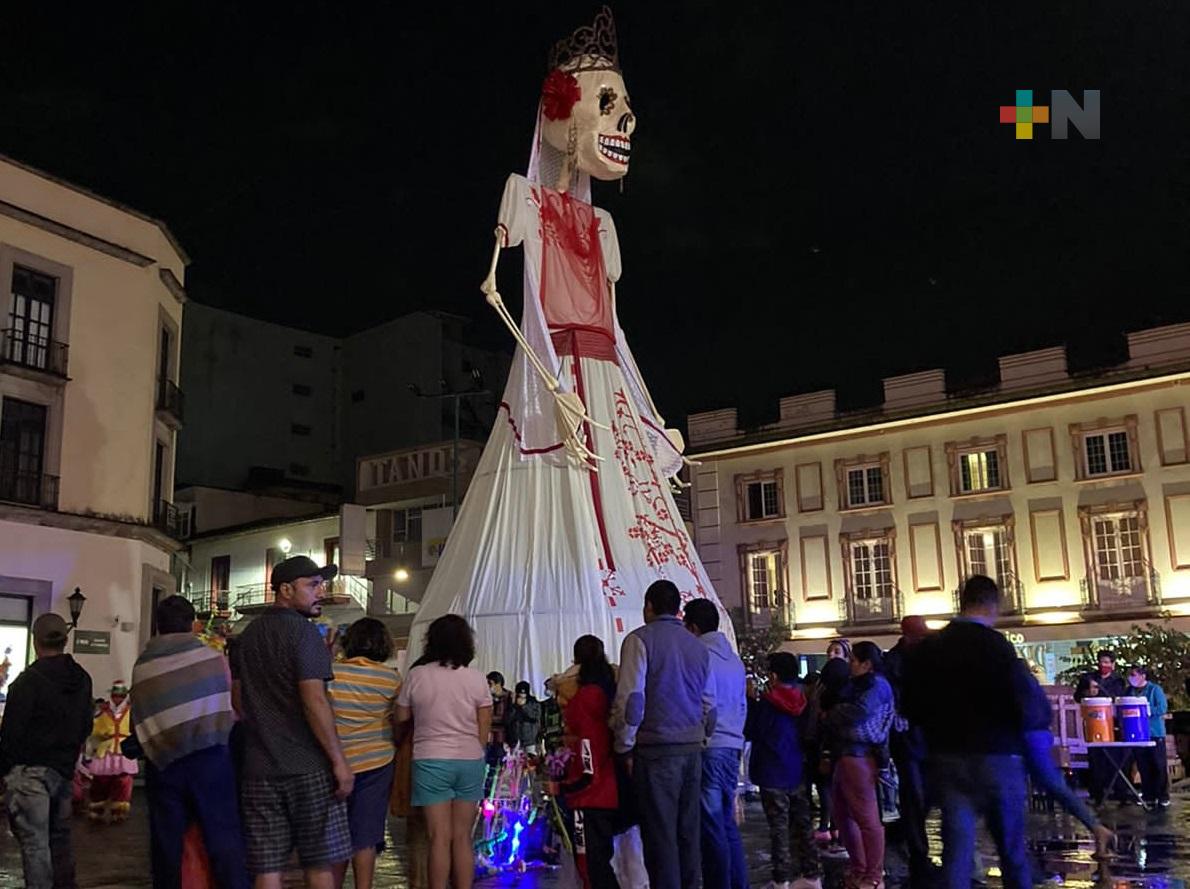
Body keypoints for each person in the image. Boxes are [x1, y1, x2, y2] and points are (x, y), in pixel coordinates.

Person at [903, 575, 1035, 889]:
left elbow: (911, 705)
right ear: (992, 604)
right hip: (996, 755)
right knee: (1012, 852)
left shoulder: (931, 647)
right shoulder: (997, 646)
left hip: (947, 758)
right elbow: (1020, 702)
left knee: (957, 853)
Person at [232, 555, 354, 889]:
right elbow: (314, 701)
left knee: (268, 866)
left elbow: (238, 701)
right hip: (308, 765)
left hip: (259, 766)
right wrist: (338, 761)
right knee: (318, 862)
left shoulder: (247, 637)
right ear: (285, 590)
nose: (321, 592)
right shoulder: (304, 634)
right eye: (312, 585)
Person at [131, 595, 248, 889]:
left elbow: (141, 714)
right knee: (223, 838)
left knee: (166, 845)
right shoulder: (212, 659)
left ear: (158, 626)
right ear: (192, 624)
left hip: (163, 760)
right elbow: (227, 705)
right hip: (210, 757)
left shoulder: (142, 665)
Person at [611, 579, 714, 889]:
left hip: (656, 751)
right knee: (688, 832)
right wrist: (702, 739)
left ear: (649, 607)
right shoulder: (698, 646)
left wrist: (624, 746)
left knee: (660, 835)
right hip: (692, 750)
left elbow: (632, 702)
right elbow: (709, 704)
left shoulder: (639, 640)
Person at [396, 614, 492, 889]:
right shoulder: (476, 678)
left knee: (438, 837)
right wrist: (475, 751)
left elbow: (400, 717)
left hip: (430, 760)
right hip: (469, 760)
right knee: (462, 837)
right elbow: (484, 724)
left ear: (432, 641)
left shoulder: (417, 676)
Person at [0, 613, 93, 889]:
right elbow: (86, 724)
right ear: (65, 641)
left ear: (35, 641)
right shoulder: (82, 679)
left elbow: (11, 735)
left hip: (30, 773)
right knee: (60, 839)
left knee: (35, 844)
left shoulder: (27, 683)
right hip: (63, 770)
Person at [328, 618, 402, 889]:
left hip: (336, 762)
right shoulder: (392, 679)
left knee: (336, 836)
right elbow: (398, 719)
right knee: (366, 836)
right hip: (377, 761)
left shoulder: (332, 673)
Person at [684, 597, 748, 889]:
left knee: (711, 825)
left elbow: (704, 703)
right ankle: (738, 883)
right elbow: (743, 705)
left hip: (711, 745)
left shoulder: (700, 656)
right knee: (726, 823)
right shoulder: (733, 660)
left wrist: (703, 736)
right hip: (732, 744)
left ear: (693, 627)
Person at [1019, 667, 1114, 856]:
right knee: (1052, 784)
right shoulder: (1025, 682)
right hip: (1033, 736)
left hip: (1022, 738)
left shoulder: (1009, 682)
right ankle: (1096, 827)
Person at [746, 652, 820, 889]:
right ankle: (812, 875)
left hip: (771, 770)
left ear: (774, 675)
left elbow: (752, 731)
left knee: (779, 828)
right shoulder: (805, 700)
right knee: (803, 824)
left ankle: (781, 879)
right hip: (796, 769)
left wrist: (750, 702)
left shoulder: (767, 704)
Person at [824, 641, 895, 889]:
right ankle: (860, 868)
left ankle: (873, 876)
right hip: (846, 755)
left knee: (866, 818)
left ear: (867, 664)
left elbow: (858, 712)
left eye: (853, 660)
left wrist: (832, 714)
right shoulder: (858, 685)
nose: (849, 664)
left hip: (860, 756)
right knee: (844, 815)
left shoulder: (876, 686)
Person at [561, 635, 621, 889]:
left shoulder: (585, 699)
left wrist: (564, 786)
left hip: (587, 795)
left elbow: (587, 751)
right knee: (600, 861)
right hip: (608, 789)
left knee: (590, 865)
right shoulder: (609, 691)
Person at [882, 616, 933, 889]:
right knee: (914, 793)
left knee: (925, 794)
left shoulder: (925, 657)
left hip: (926, 735)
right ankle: (918, 851)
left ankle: (907, 836)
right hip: (908, 736)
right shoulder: (894, 662)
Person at [1073, 650, 1127, 806]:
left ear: (1113, 664)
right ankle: (1097, 795)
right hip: (1093, 722)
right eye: (1101, 662)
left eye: (1107, 662)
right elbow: (1078, 696)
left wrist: (1100, 690)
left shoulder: (1118, 681)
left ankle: (1120, 794)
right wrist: (1087, 691)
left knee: (1116, 760)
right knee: (1096, 760)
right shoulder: (1089, 678)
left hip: (1112, 723)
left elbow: (1117, 698)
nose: (1103, 665)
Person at [86, 679, 139, 822]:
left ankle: (119, 811)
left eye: (121, 696)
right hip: (106, 749)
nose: (118, 699)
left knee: (124, 781)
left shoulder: (132, 711)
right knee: (101, 780)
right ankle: (97, 808)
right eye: (115, 696)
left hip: (125, 749)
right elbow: (95, 730)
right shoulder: (103, 711)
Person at [1126, 665, 1170, 808]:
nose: (1131, 678)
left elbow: (1162, 708)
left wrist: (1145, 710)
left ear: (1143, 676)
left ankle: (1162, 796)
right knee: (1144, 766)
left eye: (1134, 674)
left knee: (1158, 765)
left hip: (1154, 733)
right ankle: (1148, 795)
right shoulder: (1130, 691)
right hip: (1138, 734)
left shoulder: (1154, 689)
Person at [506, 680, 543, 753]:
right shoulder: (512, 703)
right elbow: (507, 719)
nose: (522, 695)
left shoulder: (533, 702)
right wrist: (513, 705)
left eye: (523, 693)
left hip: (530, 740)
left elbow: (535, 716)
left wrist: (524, 706)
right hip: (515, 740)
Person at [486, 672, 511, 764]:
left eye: (490, 683)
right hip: (488, 737)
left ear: (498, 684)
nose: (488, 686)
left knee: (501, 763)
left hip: (502, 737)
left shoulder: (509, 697)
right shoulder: (486, 697)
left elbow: (509, 717)